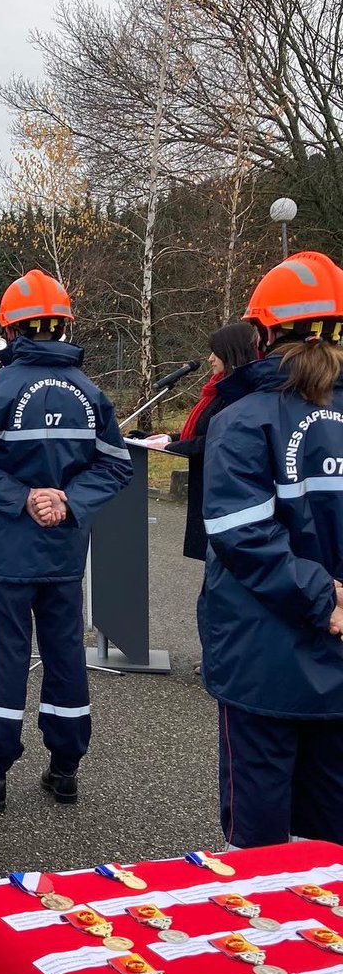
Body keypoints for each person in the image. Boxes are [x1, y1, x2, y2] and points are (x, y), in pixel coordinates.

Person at [0, 269, 132, 811]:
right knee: (66, 654)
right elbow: (116, 467)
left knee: (6, 658)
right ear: (65, 324)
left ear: (13, 329)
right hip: (65, 551)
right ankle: (65, 768)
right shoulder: (90, 392)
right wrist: (68, 500)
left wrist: (22, 497)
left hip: (7, 551)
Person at [199, 251, 343, 848]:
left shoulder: (243, 419)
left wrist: (322, 598)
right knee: (330, 841)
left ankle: (258, 939)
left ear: (263, 332)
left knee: (257, 844)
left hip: (264, 657)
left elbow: (241, 534)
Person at [161, 322, 257, 562]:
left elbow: (217, 439)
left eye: (216, 352)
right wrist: (167, 438)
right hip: (207, 486)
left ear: (231, 354)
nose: (210, 358)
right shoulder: (217, 391)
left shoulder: (240, 395)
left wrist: (169, 447)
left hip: (227, 494)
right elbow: (203, 430)